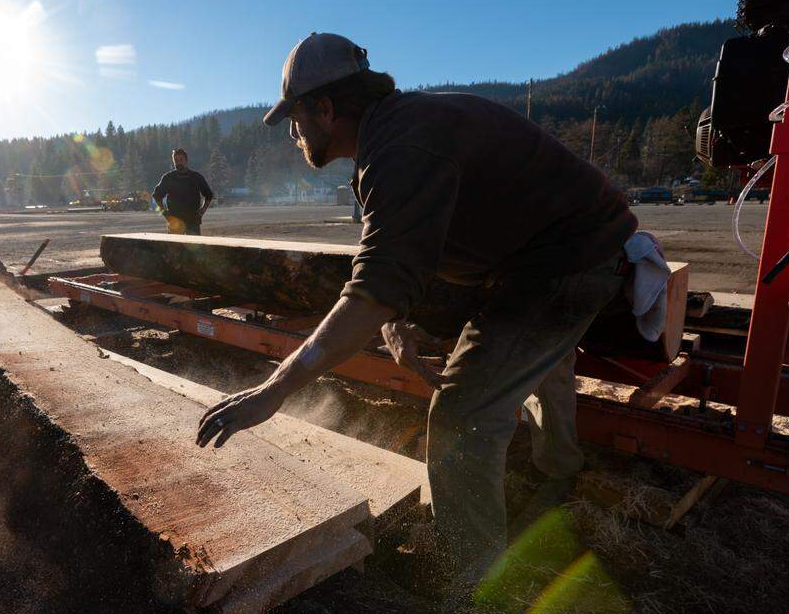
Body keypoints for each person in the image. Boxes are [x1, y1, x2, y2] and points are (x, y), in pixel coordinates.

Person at [194, 33, 637, 583]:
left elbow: (374, 285)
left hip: (567, 263)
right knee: (542, 353)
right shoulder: (394, 135)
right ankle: (558, 471)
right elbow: (407, 249)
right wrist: (399, 316)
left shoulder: (402, 148)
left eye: (295, 116)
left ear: (326, 109)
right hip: (543, 253)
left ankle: (472, 595)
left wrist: (276, 389)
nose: (292, 132)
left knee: (461, 415)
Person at [152, 148, 213, 235]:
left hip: (193, 221)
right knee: (175, 248)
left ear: (186, 160)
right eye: (176, 160)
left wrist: (201, 212)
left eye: (181, 160)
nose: (178, 163)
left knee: (194, 247)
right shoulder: (168, 178)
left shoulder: (196, 177)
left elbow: (209, 195)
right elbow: (157, 196)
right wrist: (165, 213)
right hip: (175, 223)